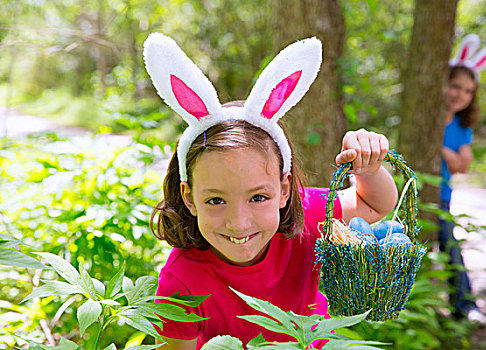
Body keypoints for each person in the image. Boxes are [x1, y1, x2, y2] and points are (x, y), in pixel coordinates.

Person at [144, 33, 398, 349]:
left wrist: (370, 169)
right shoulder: (181, 280)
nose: (239, 222)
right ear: (188, 197)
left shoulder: (309, 215)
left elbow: (374, 204)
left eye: (258, 197)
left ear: (283, 189)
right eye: (216, 200)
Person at [439, 34, 486, 322]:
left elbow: (462, 165)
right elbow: (456, 159)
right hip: (413, 190)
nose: (460, 95)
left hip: (441, 194)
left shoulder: (461, 126)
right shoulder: (432, 115)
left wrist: (441, 149)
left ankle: (464, 306)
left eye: (467, 91)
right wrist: (449, 154)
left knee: (450, 247)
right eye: (456, 86)